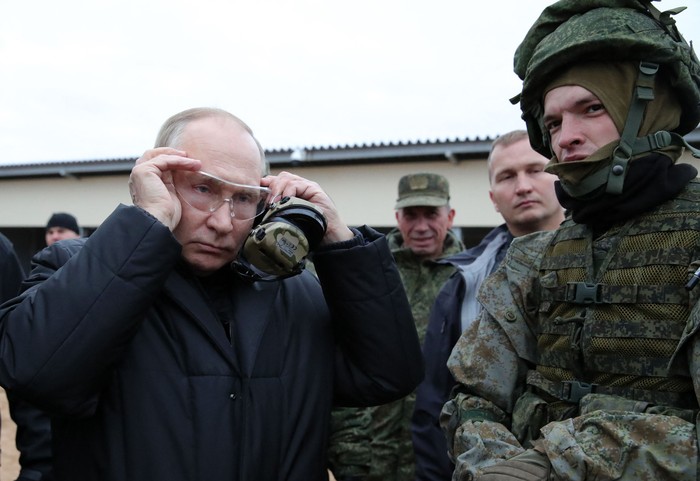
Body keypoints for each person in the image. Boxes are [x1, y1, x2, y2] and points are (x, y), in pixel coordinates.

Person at [0, 107, 424, 481]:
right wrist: (146, 225)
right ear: (158, 178)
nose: (223, 221)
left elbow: (388, 375)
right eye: (203, 188)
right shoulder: (76, 266)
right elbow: (37, 374)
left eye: (243, 198)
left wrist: (339, 241)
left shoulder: (295, 292)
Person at [441, 1, 700, 480]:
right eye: (554, 123)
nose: (566, 139)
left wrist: (553, 463)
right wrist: (494, 466)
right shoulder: (533, 256)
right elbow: (474, 397)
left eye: (592, 109)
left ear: (648, 108)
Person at [412, 129, 565, 481]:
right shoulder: (463, 283)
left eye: (535, 170)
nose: (523, 186)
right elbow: (435, 401)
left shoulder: (613, 262)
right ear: (493, 197)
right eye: (508, 176)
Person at [329, 172, 465, 481]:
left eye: (431, 214)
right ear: (397, 217)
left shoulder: (470, 276)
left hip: (439, 458)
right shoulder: (368, 271)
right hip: (369, 456)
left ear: (450, 215)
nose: (420, 227)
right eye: (410, 215)